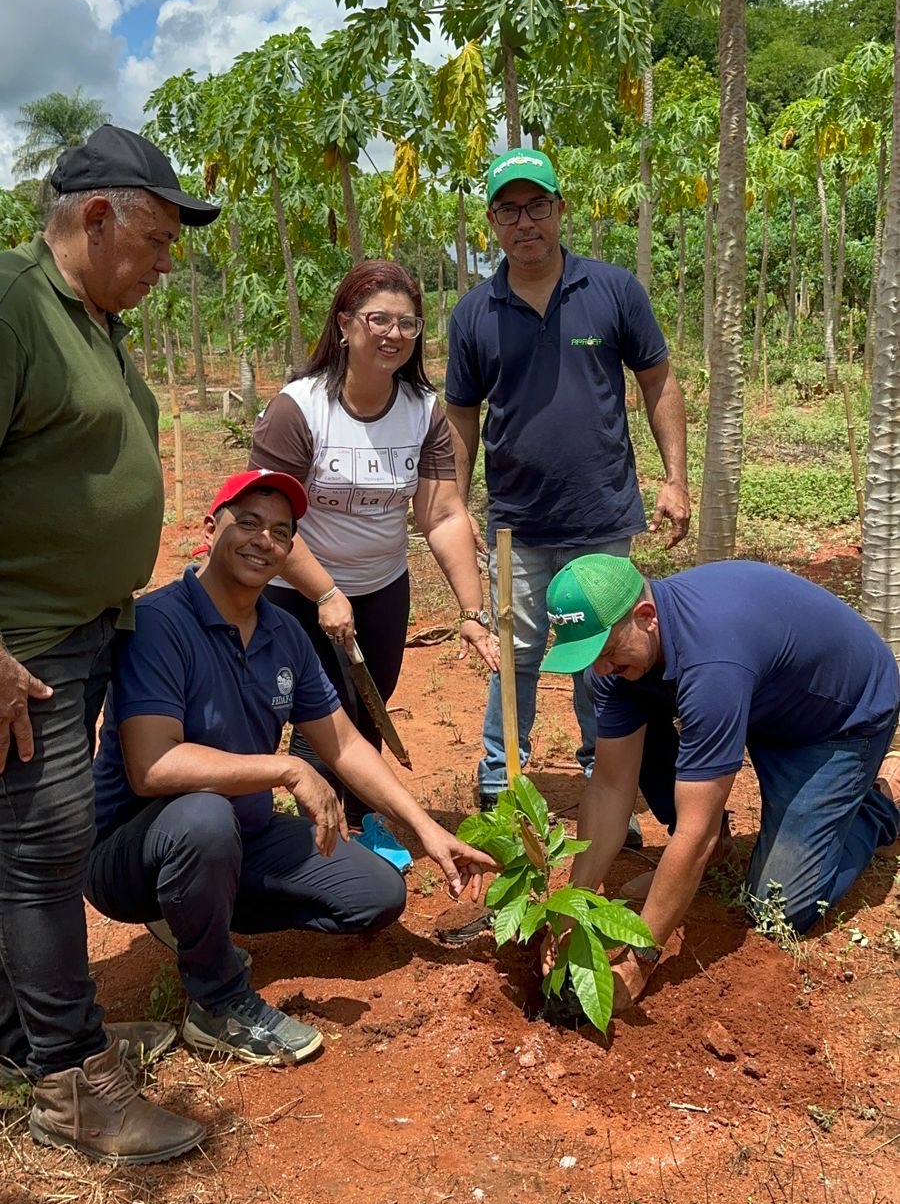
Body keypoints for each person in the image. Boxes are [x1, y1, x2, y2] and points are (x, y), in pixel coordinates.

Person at [86, 471, 496, 1065]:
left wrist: (425, 829)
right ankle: (217, 1002)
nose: (263, 540)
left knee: (376, 895)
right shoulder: (158, 623)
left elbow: (345, 745)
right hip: (135, 849)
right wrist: (286, 769)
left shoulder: (284, 633)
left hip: (239, 835)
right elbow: (153, 767)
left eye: (281, 532)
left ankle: (196, 910)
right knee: (203, 818)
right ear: (210, 529)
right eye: (247, 522)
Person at [0, 125, 220, 1164]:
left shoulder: (92, 320)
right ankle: (69, 1086)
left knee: (26, 853)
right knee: (43, 859)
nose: (168, 262)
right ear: (96, 219)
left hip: (77, 632)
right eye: (159, 238)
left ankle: (24, 1041)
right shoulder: (13, 305)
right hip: (23, 646)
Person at [444, 149, 690, 829]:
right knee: (514, 654)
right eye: (510, 209)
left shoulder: (612, 290)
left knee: (604, 656)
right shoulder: (474, 314)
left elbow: (657, 380)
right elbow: (462, 414)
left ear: (560, 210)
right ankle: (501, 779)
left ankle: (603, 773)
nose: (526, 222)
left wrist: (675, 478)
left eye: (538, 206)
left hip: (600, 513)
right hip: (515, 523)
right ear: (492, 221)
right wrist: (456, 504)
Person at [539, 553, 900, 1014]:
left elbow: (697, 831)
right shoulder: (620, 664)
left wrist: (639, 960)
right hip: (765, 702)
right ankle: (713, 862)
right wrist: (574, 903)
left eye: (608, 652)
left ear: (645, 618)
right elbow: (609, 787)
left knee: (781, 910)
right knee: (637, 729)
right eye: (591, 657)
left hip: (839, 720)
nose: (602, 669)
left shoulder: (712, 665)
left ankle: (878, 802)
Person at [250, 260, 499, 840]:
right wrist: (327, 592)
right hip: (294, 591)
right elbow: (266, 524)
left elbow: (441, 514)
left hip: (383, 588)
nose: (393, 334)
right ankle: (322, 835)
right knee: (321, 711)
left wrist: (469, 611)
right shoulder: (301, 408)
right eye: (378, 319)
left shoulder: (422, 411)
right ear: (344, 325)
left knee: (370, 704)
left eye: (407, 324)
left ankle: (359, 816)